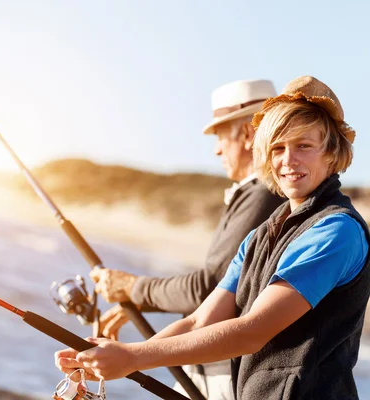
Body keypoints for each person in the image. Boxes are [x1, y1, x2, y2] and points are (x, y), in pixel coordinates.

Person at [56, 75, 370, 399]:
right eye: (278, 148)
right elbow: (198, 322)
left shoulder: (335, 231)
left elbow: (253, 331)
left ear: (331, 154)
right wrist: (116, 355)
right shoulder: (260, 237)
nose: (288, 160)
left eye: (303, 146)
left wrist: (135, 357)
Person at [89, 79, 285, 399]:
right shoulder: (256, 194)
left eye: (221, 136)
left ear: (249, 135)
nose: (217, 149)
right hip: (217, 369)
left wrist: (133, 288)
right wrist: (140, 302)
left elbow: (208, 288)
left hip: (227, 375)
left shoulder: (263, 194)